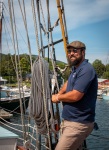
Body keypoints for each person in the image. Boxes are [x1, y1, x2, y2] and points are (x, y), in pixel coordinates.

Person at [52, 40, 98, 150]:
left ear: (83, 52)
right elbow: (68, 82)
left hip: (78, 124)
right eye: (69, 51)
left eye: (75, 51)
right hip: (71, 121)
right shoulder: (75, 69)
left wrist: (57, 97)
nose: (71, 53)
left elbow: (75, 96)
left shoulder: (87, 69)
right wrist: (60, 92)